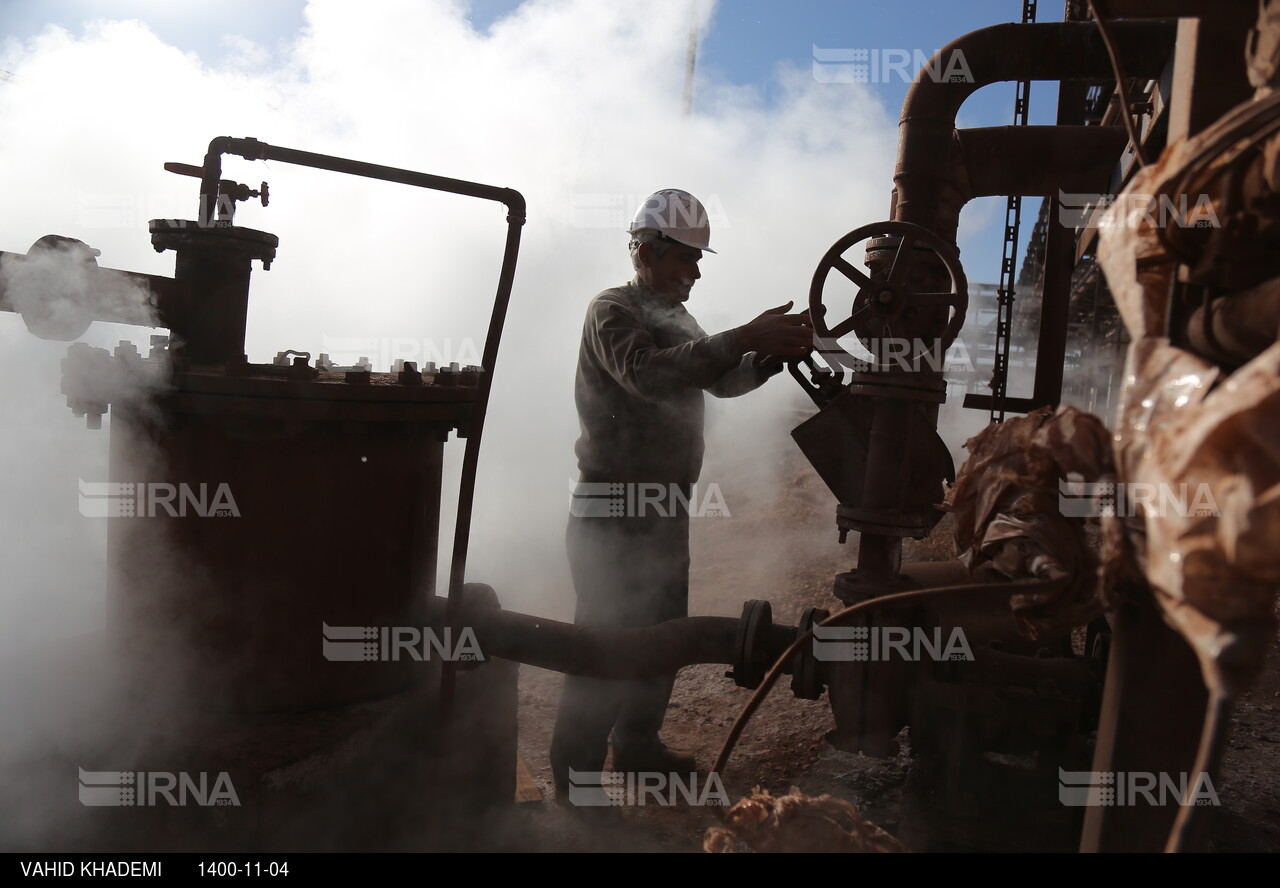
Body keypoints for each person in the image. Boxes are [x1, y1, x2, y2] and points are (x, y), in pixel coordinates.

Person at [550, 188, 812, 800]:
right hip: (611, 508)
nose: (693, 274)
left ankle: (638, 748)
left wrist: (763, 359)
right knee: (605, 642)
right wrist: (744, 332)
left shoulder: (678, 320)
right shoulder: (612, 311)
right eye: (683, 260)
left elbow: (719, 381)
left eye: (697, 261)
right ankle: (576, 779)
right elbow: (647, 375)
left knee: (663, 635)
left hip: (663, 509)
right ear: (646, 250)